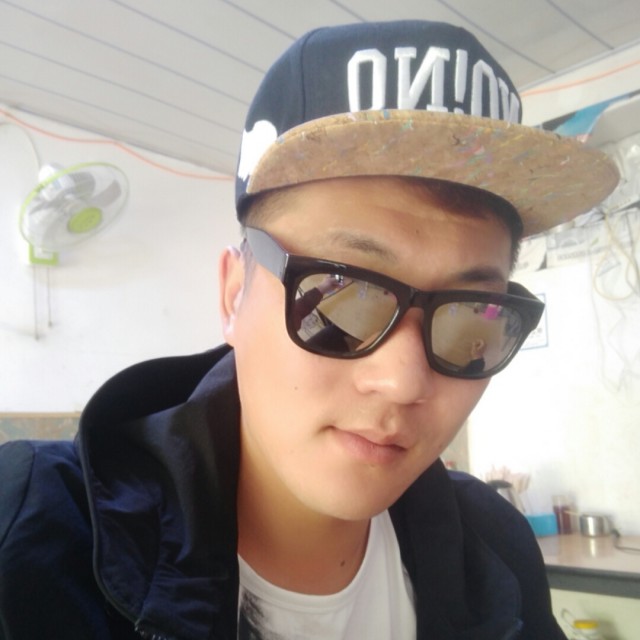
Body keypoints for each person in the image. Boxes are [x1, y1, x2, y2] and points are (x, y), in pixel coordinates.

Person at [0, 19, 618, 640]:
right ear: (234, 295)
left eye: (470, 314)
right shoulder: (30, 531)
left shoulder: (493, 544)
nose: (404, 381)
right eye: (340, 295)